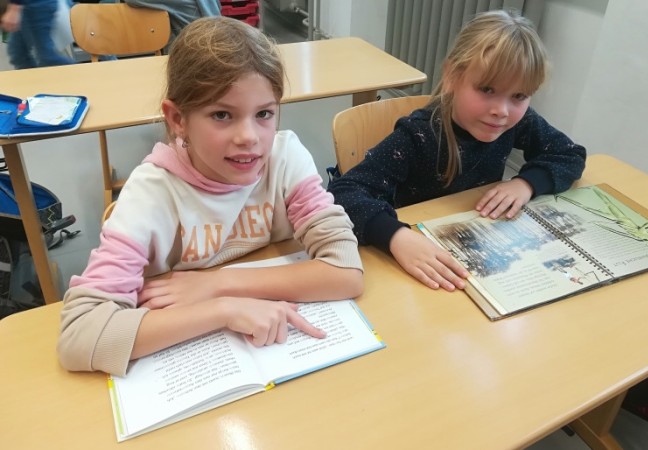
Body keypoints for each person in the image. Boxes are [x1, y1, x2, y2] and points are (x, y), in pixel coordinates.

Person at [57, 17, 363, 376]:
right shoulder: (151, 193)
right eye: (221, 115)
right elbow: (79, 335)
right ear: (178, 119)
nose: (249, 137)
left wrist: (221, 284)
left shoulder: (285, 158)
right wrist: (224, 310)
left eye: (264, 113)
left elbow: (346, 271)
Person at [328, 9, 586, 292]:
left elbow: (568, 153)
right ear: (452, 75)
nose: (501, 110)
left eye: (519, 96)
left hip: (476, 247)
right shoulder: (419, 135)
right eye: (487, 89)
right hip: (415, 259)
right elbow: (343, 193)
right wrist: (395, 236)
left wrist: (527, 184)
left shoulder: (518, 121)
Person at [1, 0, 75, 69]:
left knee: (46, 57)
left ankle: (78, 72)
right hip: (25, 6)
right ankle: (32, 78)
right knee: (18, 54)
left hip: (37, 5)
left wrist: (14, 7)